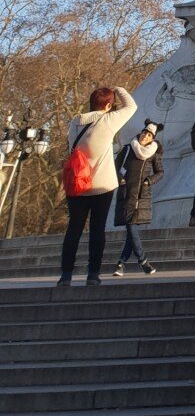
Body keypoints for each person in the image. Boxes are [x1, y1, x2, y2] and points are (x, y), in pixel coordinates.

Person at [57, 83, 137, 287]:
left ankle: (66, 274)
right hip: (101, 185)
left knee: (73, 228)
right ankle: (93, 273)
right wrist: (118, 88)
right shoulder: (108, 120)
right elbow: (131, 106)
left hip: (76, 183)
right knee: (97, 229)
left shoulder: (76, 122)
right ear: (108, 105)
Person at [113, 120, 164, 275]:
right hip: (127, 193)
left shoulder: (153, 155)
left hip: (141, 196)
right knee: (131, 227)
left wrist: (149, 181)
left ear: (152, 139)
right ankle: (143, 261)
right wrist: (119, 179)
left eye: (149, 135)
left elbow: (160, 172)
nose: (144, 136)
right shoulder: (128, 149)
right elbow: (115, 166)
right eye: (144, 133)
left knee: (131, 229)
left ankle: (121, 264)